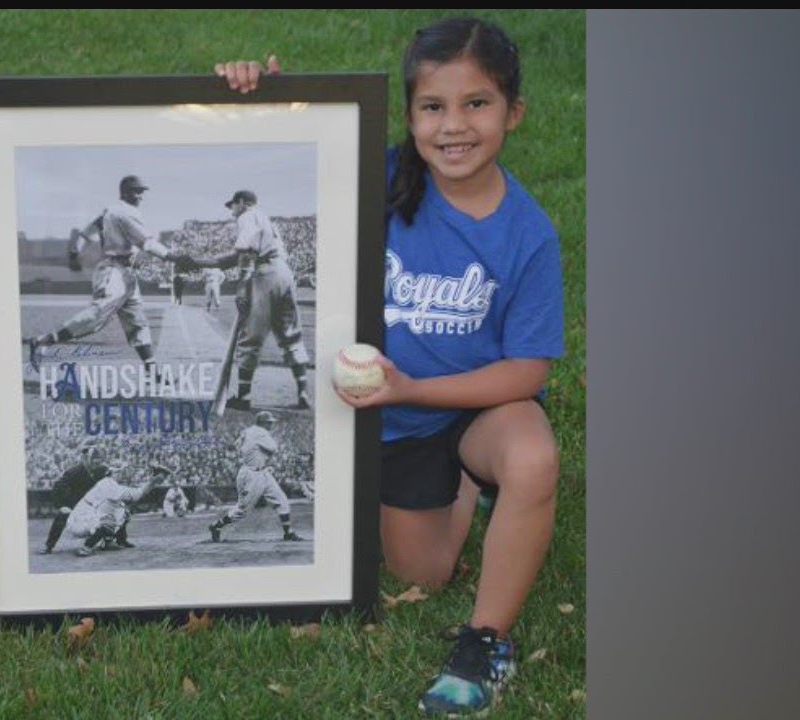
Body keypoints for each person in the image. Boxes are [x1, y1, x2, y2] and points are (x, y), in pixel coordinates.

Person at [217, 16, 564, 716]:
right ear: (408, 116)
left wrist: (416, 388)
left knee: (532, 457)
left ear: (514, 112)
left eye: (477, 103)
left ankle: (485, 643)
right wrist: (264, 96)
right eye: (433, 106)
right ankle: (466, 484)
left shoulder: (528, 233)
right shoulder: (380, 175)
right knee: (422, 573)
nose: (453, 126)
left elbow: (528, 371)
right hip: (389, 418)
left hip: (470, 405)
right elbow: (292, 155)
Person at [25, 175, 178, 376]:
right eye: (137, 191)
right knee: (97, 314)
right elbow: (147, 243)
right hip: (113, 270)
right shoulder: (122, 212)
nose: (141, 196)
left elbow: (86, 233)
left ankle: (152, 372)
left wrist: (75, 252)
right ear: (126, 192)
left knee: (137, 322)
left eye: (142, 192)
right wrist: (171, 256)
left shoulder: (110, 212)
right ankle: (42, 341)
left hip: (127, 272)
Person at [176, 190, 312, 411]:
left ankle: (244, 397)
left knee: (250, 337)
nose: (231, 210)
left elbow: (247, 253)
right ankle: (303, 392)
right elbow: (233, 258)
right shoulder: (266, 220)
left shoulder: (247, 216)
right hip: (284, 274)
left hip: (264, 275)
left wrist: (242, 289)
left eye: (233, 205)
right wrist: (197, 262)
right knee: (290, 336)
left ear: (242, 202)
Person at [207, 411, 304, 543]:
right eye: (269, 423)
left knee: (282, 501)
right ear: (263, 423)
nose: (271, 425)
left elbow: (236, 445)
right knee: (242, 510)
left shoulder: (247, 431)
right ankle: (217, 526)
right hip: (252, 475)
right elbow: (274, 448)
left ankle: (288, 532)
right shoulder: (261, 432)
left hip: (262, 472)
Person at [63, 460, 166, 557]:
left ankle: (118, 541)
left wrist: (152, 481)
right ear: (115, 472)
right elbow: (136, 495)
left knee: (122, 511)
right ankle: (87, 547)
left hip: (85, 516)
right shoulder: (110, 486)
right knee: (108, 521)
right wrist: (152, 482)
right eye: (123, 471)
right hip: (79, 522)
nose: (125, 474)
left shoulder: (108, 482)